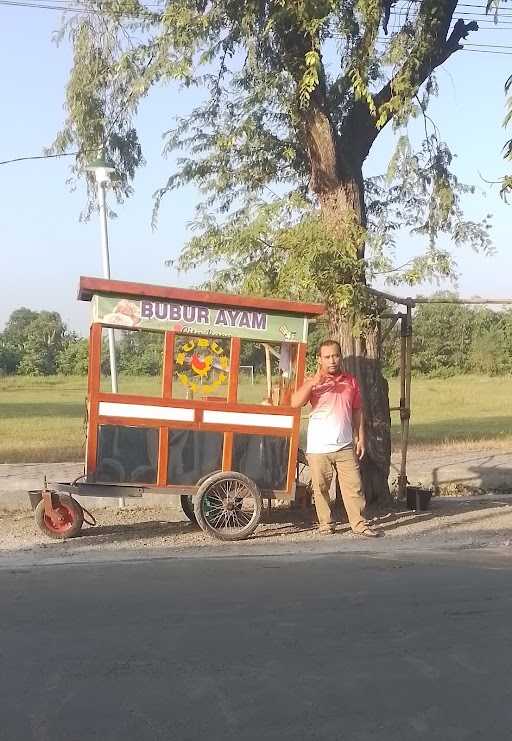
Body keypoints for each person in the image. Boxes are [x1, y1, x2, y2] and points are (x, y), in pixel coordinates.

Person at [291, 339, 382, 537]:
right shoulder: (313, 382)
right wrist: (312, 383)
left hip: (345, 445)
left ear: (340, 357)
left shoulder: (351, 381)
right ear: (320, 359)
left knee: (354, 487)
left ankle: (359, 524)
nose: (332, 360)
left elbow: (358, 411)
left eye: (335, 355)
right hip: (318, 447)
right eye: (327, 357)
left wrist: (361, 438)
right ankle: (325, 524)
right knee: (321, 487)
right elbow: (294, 402)